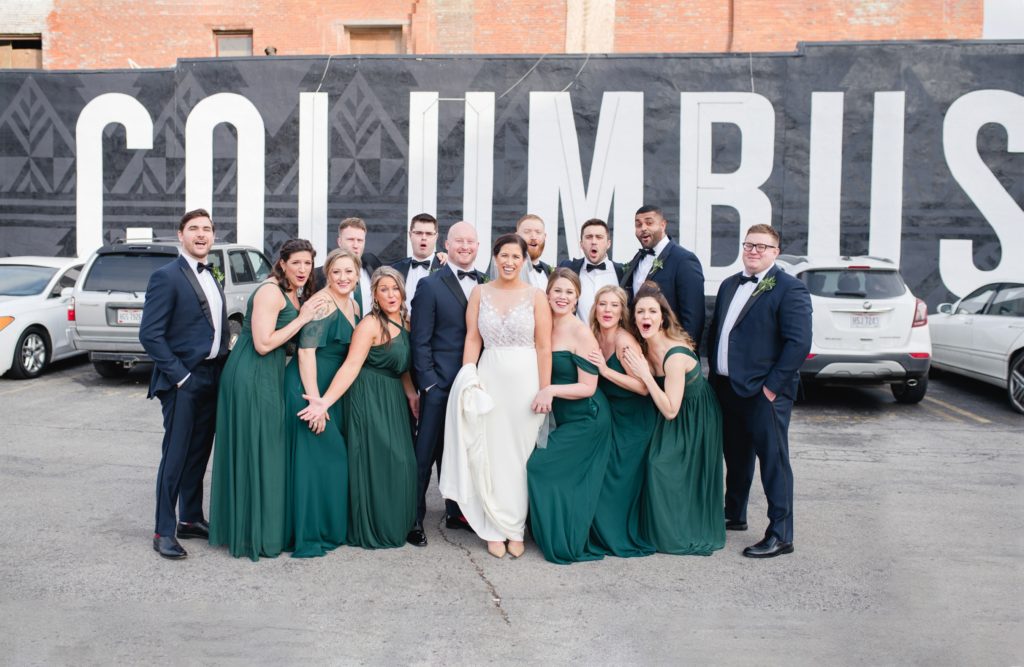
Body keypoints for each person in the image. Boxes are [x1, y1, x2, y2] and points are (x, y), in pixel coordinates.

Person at [208, 239, 324, 561]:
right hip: (250, 373)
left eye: (308, 263)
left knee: (266, 447)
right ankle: (250, 533)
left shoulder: (293, 291)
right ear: (282, 263)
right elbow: (262, 343)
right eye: (296, 262)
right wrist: (302, 319)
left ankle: (262, 526)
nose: (303, 269)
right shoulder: (271, 291)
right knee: (256, 446)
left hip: (270, 374)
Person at [440, 233, 550, 559]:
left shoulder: (536, 296)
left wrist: (545, 389)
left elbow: (544, 346)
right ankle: (492, 526)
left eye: (516, 257)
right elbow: (473, 339)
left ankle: (514, 527)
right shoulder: (480, 292)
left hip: (526, 383)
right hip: (488, 378)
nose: (509, 262)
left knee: (518, 455)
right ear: (495, 257)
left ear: (523, 261)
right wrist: (469, 378)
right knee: (488, 450)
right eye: (504, 255)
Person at [706, 224, 812, 558]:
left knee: (773, 462)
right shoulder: (729, 284)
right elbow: (719, 331)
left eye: (762, 246)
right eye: (749, 245)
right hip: (727, 388)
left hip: (764, 393)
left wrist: (771, 389)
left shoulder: (790, 289)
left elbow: (798, 344)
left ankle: (781, 534)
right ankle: (734, 513)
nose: (754, 251)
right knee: (736, 457)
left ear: (775, 252)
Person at [298, 267, 418, 549]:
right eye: (384, 289)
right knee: (379, 459)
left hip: (394, 398)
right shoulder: (370, 325)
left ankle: (395, 521)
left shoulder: (406, 321)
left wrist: (412, 394)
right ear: (374, 295)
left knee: (403, 462)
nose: (391, 295)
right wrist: (324, 402)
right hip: (369, 396)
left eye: (395, 289)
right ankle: (373, 525)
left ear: (403, 293)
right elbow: (351, 366)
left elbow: (401, 366)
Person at [139, 209, 229, 560]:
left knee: (198, 453)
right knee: (175, 457)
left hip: (212, 376)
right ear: (181, 235)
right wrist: (182, 377)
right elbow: (150, 334)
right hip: (183, 380)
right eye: (194, 228)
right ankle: (163, 530)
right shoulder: (166, 276)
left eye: (207, 228)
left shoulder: (212, 274)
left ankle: (190, 518)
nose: (201, 234)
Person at [623, 282, 725, 556]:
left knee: (660, 464)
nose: (645, 317)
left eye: (652, 311)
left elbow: (670, 410)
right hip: (670, 409)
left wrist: (646, 375)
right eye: (640, 312)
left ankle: (675, 529)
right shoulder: (643, 347)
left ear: (663, 317)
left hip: (694, 415)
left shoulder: (674, 356)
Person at [527, 269, 613, 564]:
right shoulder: (542, 325)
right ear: (547, 294)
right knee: (552, 471)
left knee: (539, 466)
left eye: (569, 292)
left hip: (587, 418)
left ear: (577, 299)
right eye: (557, 291)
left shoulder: (580, 333)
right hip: (560, 417)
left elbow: (588, 387)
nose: (562, 297)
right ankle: (551, 528)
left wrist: (550, 390)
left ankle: (562, 536)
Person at [406, 221, 484, 547]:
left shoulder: (486, 284)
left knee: (463, 452)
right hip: (439, 385)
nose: (465, 246)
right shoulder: (430, 285)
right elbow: (420, 339)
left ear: (477, 246)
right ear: (447, 245)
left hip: (473, 387)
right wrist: (429, 384)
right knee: (424, 455)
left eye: (471, 241)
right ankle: (412, 520)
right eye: (459, 241)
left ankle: (456, 513)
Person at [283, 248, 361, 558]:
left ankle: (329, 526)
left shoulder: (354, 305)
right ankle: (309, 531)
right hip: (308, 388)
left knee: (326, 460)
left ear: (357, 275)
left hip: (333, 391)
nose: (343, 277)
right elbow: (306, 352)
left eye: (349, 271)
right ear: (327, 274)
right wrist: (316, 403)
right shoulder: (321, 303)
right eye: (336, 272)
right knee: (318, 460)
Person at [584, 285, 656, 558]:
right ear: (595, 308)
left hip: (633, 419)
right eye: (603, 304)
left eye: (614, 305)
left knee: (614, 477)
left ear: (622, 311)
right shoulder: (593, 335)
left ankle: (614, 533)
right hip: (611, 416)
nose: (607, 310)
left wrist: (605, 371)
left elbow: (643, 387)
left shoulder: (624, 341)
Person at [620, 205, 706, 349]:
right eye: (638, 224)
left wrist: (682, 352)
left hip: (670, 350)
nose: (643, 228)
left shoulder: (684, 260)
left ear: (663, 225)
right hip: (640, 350)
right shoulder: (637, 259)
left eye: (649, 222)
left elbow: (694, 317)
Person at [558, 219, 625, 323]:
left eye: (599, 237)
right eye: (589, 237)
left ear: (608, 244)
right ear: (581, 244)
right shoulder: (569, 268)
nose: (594, 242)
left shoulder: (622, 272)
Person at [313, 217, 382, 311]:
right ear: (339, 242)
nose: (355, 245)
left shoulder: (373, 267)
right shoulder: (319, 275)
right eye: (350, 239)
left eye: (360, 240)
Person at [391, 212, 444, 315]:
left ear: (436, 237)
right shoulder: (395, 270)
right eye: (419, 233)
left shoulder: (446, 269)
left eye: (429, 234)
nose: (424, 237)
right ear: (410, 235)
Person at [516, 213, 553, 290]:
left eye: (538, 232)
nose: (533, 237)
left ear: (544, 237)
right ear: (516, 236)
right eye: (527, 232)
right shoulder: (506, 270)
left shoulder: (551, 272)